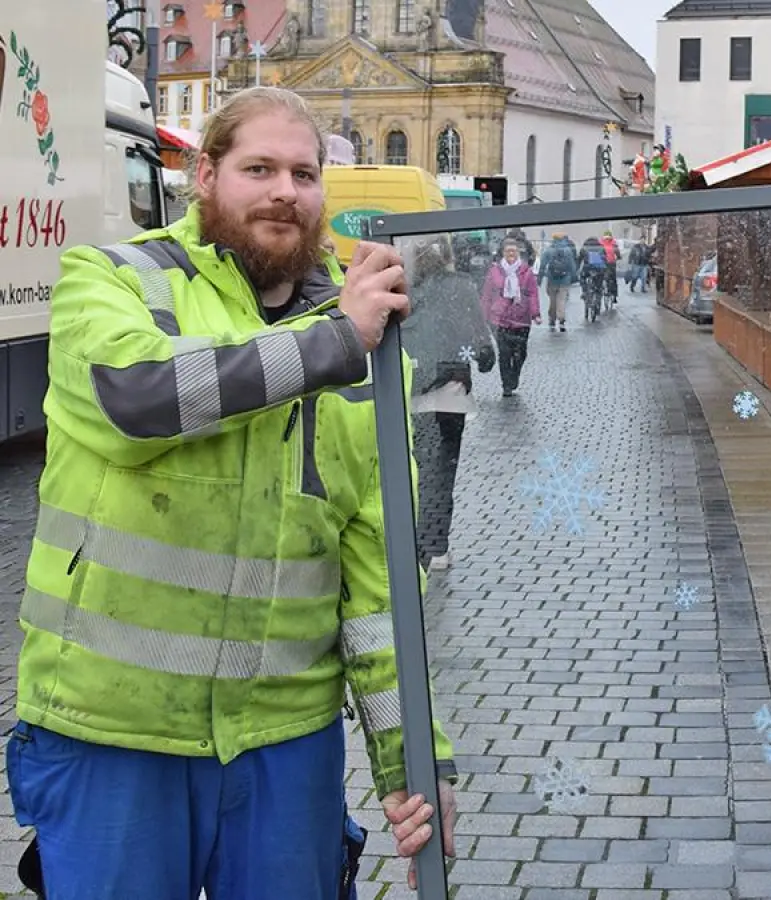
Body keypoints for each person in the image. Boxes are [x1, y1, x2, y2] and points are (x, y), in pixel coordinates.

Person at [6, 86, 457, 899]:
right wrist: (331, 343)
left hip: (283, 742)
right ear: (204, 175)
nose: (286, 190)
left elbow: (381, 587)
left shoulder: (371, 355)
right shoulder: (112, 278)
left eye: (304, 172)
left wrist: (414, 760)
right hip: (114, 731)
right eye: (259, 167)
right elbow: (133, 398)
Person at [407, 237, 495, 570]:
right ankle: (435, 547)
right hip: (449, 394)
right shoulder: (459, 287)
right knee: (441, 472)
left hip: (407, 390)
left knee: (409, 468)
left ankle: (409, 539)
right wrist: (484, 356)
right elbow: (480, 342)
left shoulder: (403, 286)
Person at [480, 237, 541, 394]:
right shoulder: (494, 271)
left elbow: (532, 294)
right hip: (500, 319)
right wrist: (483, 314)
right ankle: (506, 384)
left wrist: (535, 313)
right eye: (508, 251)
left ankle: (515, 374)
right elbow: (487, 294)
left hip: (522, 319)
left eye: (514, 251)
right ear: (502, 253)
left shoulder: (526, 272)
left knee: (521, 353)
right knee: (505, 354)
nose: (511, 254)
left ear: (518, 253)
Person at [539, 230, 579, 332]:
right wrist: (574, 277)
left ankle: (552, 319)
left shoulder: (549, 250)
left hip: (552, 279)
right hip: (565, 280)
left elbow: (543, 265)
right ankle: (561, 319)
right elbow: (572, 265)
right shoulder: (568, 250)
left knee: (552, 301)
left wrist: (539, 278)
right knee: (561, 300)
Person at [600, 229, 620, 308]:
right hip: (611, 263)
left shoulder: (600, 243)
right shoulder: (613, 243)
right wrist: (618, 257)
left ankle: (601, 290)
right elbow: (617, 253)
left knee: (601, 277)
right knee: (613, 279)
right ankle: (614, 295)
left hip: (603, 264)